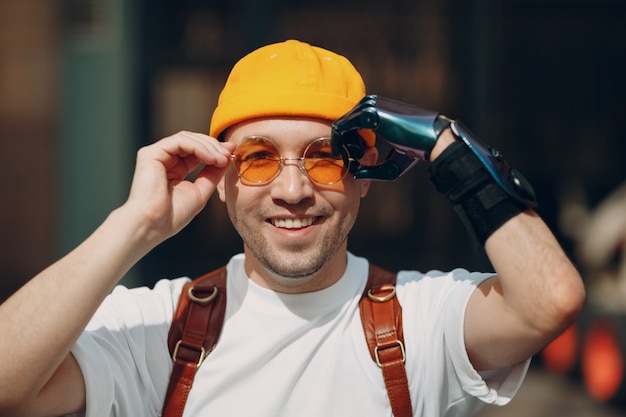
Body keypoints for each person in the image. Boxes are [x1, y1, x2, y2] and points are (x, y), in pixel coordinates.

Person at [0, 39, 584, 417]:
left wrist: (446, 148)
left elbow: (549, 300)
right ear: (221, 179)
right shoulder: (157, 328)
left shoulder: (420, 318)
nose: (293, 190)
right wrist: (134, 226)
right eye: (256, 157)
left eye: (325, 157)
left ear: (363, 178)